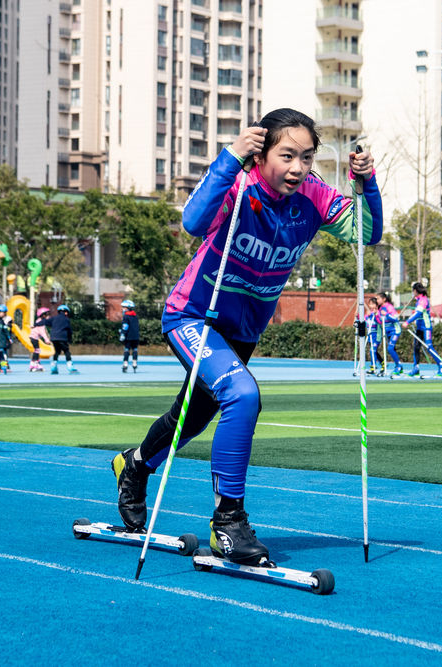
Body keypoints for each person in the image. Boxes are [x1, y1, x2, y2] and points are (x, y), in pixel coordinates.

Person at [109, 109, 382, 565]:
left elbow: (366, 233)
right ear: (262, 154)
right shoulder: (240, 182)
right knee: (242, 394)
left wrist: (366, 182)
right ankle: (228, 522)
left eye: (307, 157)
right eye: (287, 155)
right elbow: (194, 221)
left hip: (243, 330)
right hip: (194, 315)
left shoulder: (314, 196)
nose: (298, 168)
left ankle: (135, 463)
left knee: (192, 415)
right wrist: (231, 157)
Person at [403, 281, 442, 377]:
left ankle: (441, 366)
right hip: (419, 327)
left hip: (426, 327)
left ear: (415, 291)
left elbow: (418, 313)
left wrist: (407, 322)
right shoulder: (418, 300)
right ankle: (416, 368)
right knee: (416, 347)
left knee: (429, 347)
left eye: (413, 291)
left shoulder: (423, 300)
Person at [376, 292, 402, 375]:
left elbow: (395, 318)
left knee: (390, 348)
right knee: (392, 349)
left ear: (384, 299)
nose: (377, 300)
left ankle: (399, 366)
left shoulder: (389, 307)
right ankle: (398, 367)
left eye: (378, 299)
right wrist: (376, 315)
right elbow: (380, 321)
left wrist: (386, 314)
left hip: (395, 330)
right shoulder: (380, 308)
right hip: (387, 331)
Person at [48, 304, 77, 374]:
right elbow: (69, 330)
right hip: (62, 338)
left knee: (57, 352)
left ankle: (54, 366)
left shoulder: (55, 318)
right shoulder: (66, 319)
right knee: (66, 351)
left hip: (54, 338)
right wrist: (70, 339)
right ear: (66, 312)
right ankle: (70, 366)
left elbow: (47, 323)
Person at [29, 307, 51, 372]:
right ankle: (35, 363)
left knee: (37, 350)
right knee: (37, 350)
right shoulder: (41, 323)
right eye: (46, 314)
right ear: (42, 315)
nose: (48, 316)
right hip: (34, 338)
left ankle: (34, 363)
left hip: (33, 337)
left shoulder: (39, 320)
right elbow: (42, 332)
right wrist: (47, 340)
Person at [120, 299, 140, 373]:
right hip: (136, 336)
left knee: (127, 350)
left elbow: (125, 326)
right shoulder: (135, 316)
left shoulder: (126, 316)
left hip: (128, 336)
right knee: (135, 349)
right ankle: (134, 363)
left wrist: (122, 334)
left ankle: (125, 364)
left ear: (127, 308)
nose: (122, 309)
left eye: (123, 307)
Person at [365, 296, 383, 375]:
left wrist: (376, 315)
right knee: (374, 351)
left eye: (373, 304)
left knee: (372, 350)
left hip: (377, 336)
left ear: (376, 305)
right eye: (370, 304)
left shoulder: (378, 312)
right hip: (370, 336)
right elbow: (365, 320)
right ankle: (383, 363)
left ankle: (373, 367)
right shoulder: (369, 313)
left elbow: (380, 322)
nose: (371, 306)